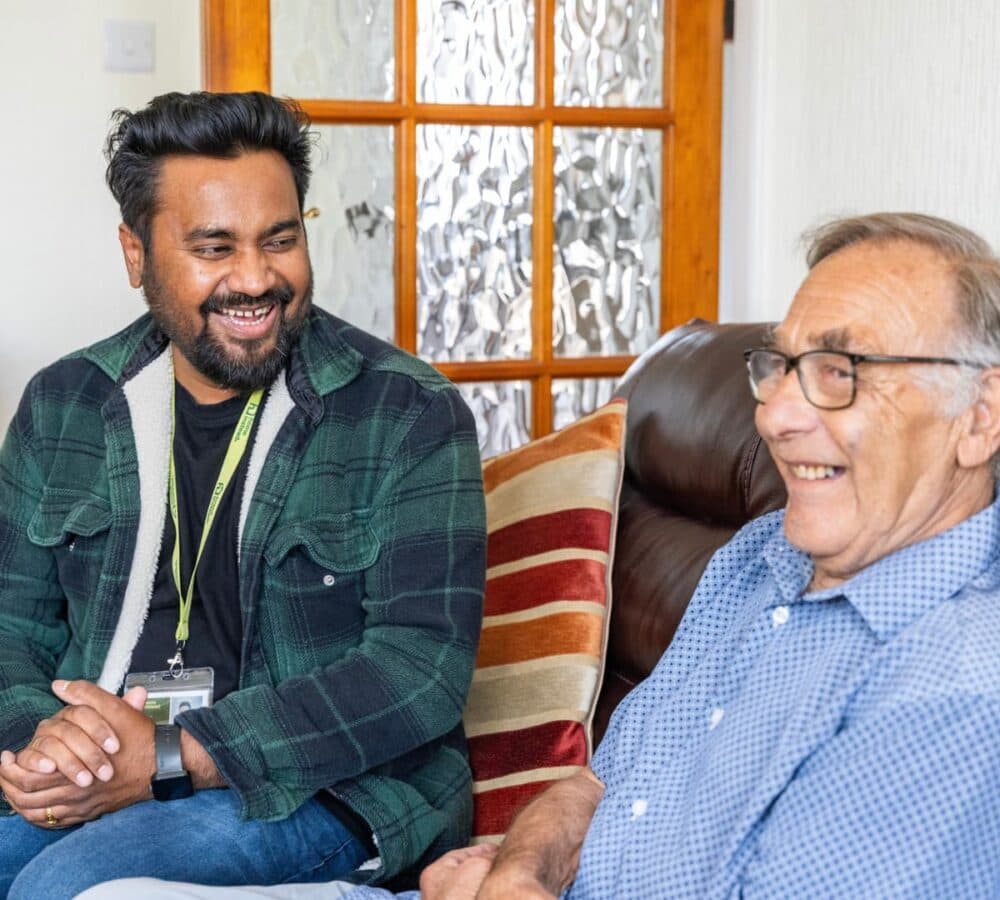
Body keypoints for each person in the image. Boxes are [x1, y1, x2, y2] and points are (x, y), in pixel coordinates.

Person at [86, 211, 1000, 900]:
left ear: (980, 418)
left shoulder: (959, 688)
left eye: (841, 373)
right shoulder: (759, 557)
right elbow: (605, 780)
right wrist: (522, 867)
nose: (779, 414)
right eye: (781, 366)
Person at [0, 91, 486, 899]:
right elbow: (10, 625)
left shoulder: (407, 413)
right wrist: (45, 750)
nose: (256, 279)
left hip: (318, 790)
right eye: (214, 247)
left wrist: (168, 757)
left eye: (281, 240)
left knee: (65, 886)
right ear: (136, 254)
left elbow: (419, 670)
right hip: (99, 767)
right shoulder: (64, 406)